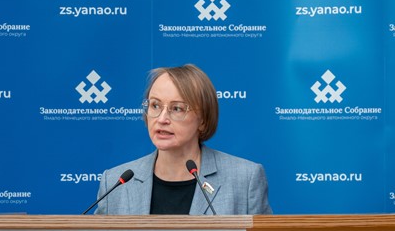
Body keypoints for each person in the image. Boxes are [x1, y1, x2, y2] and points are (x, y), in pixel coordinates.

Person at [94, 64, 272, 215]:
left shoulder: (245, 179)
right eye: (155, 105)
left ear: (202, 120)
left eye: (177, 109)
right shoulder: (115, 182)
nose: (162, 118)